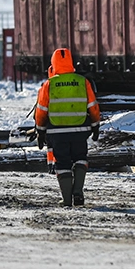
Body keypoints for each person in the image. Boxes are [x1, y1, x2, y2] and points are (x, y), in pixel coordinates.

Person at [34, 48, 102, 207]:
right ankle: (78, 192)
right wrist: (95, 126)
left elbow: (41, 111)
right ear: (71, 62)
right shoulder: (82, 81)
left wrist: (40, 132)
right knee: (80, 159)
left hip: (57, 133)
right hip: (80, 131)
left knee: (63, 164)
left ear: (53, 64)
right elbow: (93, 106)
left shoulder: (49, 84)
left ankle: (66, 200)